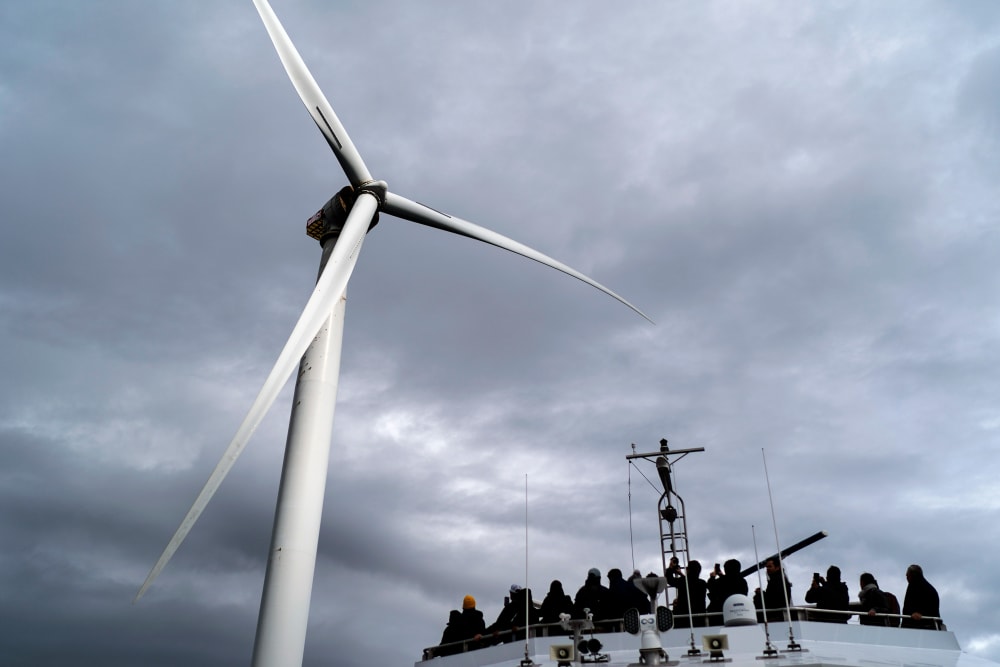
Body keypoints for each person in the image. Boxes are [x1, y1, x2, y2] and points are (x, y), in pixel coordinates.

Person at [666, 559, 708, 627]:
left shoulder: (682, 581)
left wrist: (670, 568)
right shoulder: (703, 583)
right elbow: (691, 582)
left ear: (688, 570)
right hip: (699, 618)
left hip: (683, 618)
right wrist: (682, 574)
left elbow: (669, 580)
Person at [707, 558, 749, 624]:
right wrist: (721, 575)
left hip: (719, 616)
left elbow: (711, 587)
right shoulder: (742, 581)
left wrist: (712, 577)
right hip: (739, 613)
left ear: (726, 569)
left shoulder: (720, 581)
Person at [902, 564, 941, 629]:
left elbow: (933, 608)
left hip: (926, 626)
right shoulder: (912, 586)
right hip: (910, 626)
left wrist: (921, 614)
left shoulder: (929, 590)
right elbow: (907, 607)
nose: (906, 578)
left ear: (913, 576)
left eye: (907, 575)